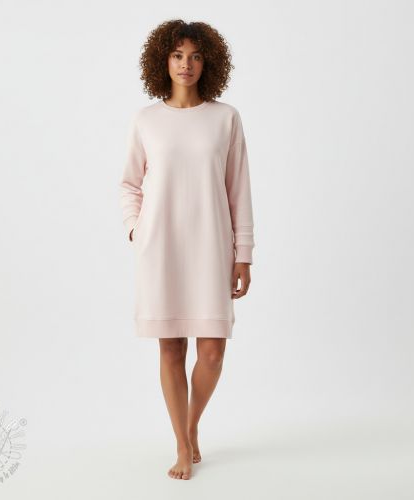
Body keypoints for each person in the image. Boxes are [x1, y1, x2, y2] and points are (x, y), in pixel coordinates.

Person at [119, 19, 255, 480]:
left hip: (212, 247)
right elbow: (128, 183)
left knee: (212, 351)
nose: (186, 64)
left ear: (207, 63)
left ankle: (192, 425)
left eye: (195, 56)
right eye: (178, 55)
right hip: (161, 249)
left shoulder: (225, 118)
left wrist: (243, 253)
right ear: (163, 60)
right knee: (172, 348)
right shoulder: (146, 120)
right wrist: (136, 229)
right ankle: (182, 443)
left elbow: (239, 191)